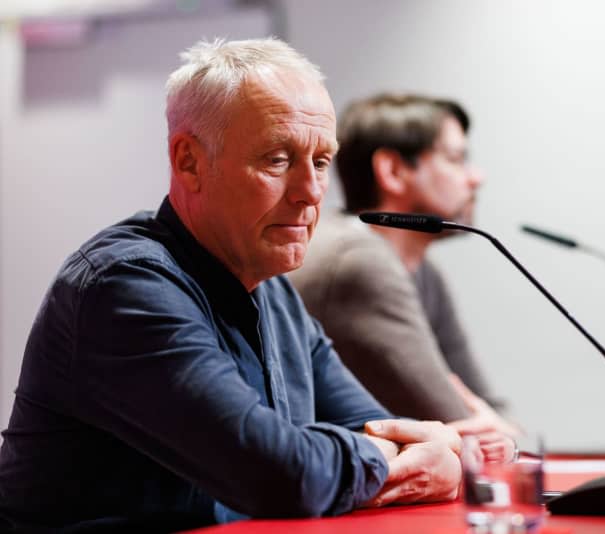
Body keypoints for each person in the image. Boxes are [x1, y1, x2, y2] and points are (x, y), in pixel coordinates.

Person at [0, 39, 463, 532]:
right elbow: (284, 477)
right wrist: (375, 456)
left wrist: (420, 455)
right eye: (278, 159)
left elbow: (391, 434)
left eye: (322, 161)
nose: (310, 193)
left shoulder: (273, 290)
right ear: (189, 161)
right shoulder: (124, 287)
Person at [288, 94, 520, 443]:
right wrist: (503, 435)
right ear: (393, 171)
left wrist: (502, 433)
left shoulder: (423, 271)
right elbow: (455, 421)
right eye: (456, 159)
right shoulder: (359, 261)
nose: (476, 177)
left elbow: (488, 416)